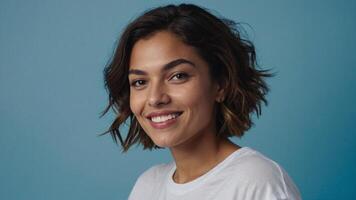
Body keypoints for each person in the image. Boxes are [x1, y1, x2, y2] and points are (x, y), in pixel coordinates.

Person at [101, 3, 301, 200]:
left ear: (220, 84)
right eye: (140, 82)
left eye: (178, 76)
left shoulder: (257, 181)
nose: (155, 98)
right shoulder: (147, 186)